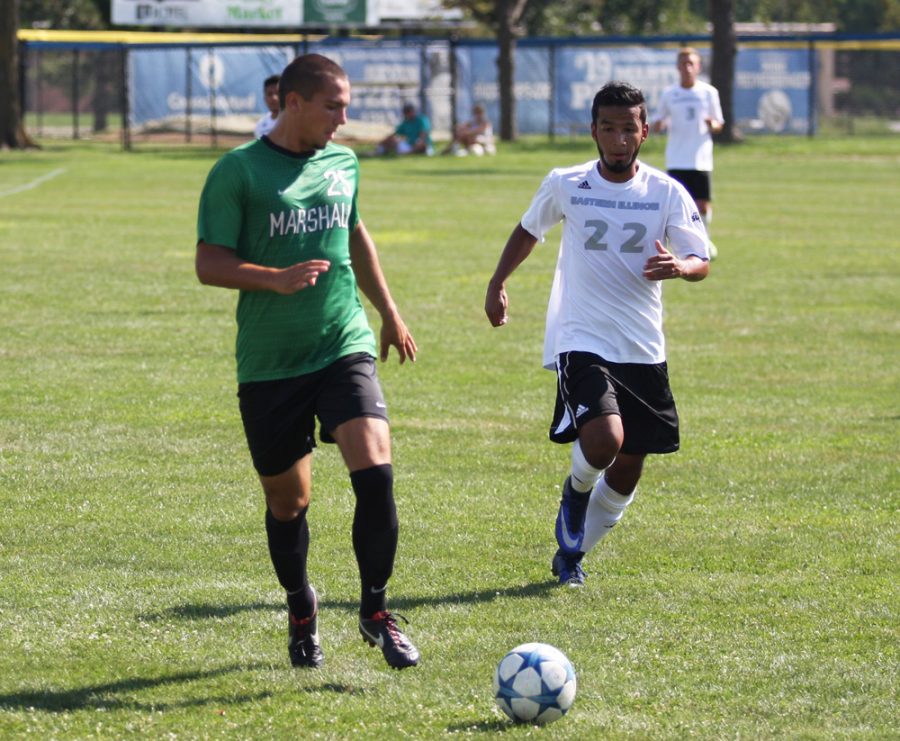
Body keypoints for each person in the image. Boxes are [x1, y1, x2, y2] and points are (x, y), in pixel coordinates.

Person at [195, 54, 420, 670]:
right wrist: (277, 278)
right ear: (291, 103)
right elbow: (208, 263)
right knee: (288, 503)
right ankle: (301, 605)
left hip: (341, 341)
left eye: (347, 105)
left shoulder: (342, 163)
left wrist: (389, 312)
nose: (344, 119)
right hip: (270, 364)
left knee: (375, 472)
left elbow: (353, 234)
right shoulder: (237, 172)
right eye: (333, 106)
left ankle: (375, 611)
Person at [484, 81, 710, 588]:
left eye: (628, 128)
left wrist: (682, 267)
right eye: (607, 128)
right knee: (606, 439)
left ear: (645, 132)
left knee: (630, 465)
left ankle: (572, 555)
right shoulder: (567, 182)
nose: (618, 138)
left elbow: (702, 258)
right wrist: (498, 282)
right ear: (593, 131)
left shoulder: (667, 191)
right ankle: (577, 489)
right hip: (581, 336)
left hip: (643, 345)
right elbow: (528, 230)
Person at [651, 47, 724, 258]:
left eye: (691, 63)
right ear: (678, 67)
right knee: (677, 204)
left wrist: (713, 125)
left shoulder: (709, 92)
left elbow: (719, 123)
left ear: (698, 66)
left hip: (700, 158)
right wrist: (658, 125)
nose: (687, 67)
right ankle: (680, 243)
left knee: (702, 204)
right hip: (676, 157)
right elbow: (658, 119)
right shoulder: (669, 93)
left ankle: (705, 239)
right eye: (683, 63)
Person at [253, 74, 280, 139]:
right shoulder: (260, 126)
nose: (274, 98)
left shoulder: (294, 123)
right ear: (264, 98)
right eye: (269, 94)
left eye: (278, 93)